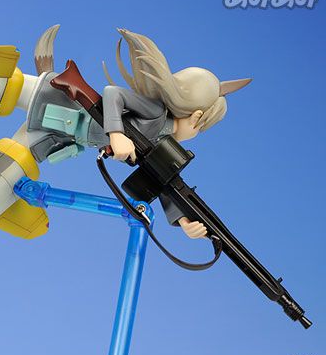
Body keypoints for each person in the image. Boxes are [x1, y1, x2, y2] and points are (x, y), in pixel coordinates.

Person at [101, 29, 251, 239]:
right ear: (196, 117)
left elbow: (163, 180)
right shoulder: (156, 113)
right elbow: (112, 93)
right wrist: (116, 134)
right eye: (201, 127)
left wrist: (184, 221)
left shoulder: (161, 142)